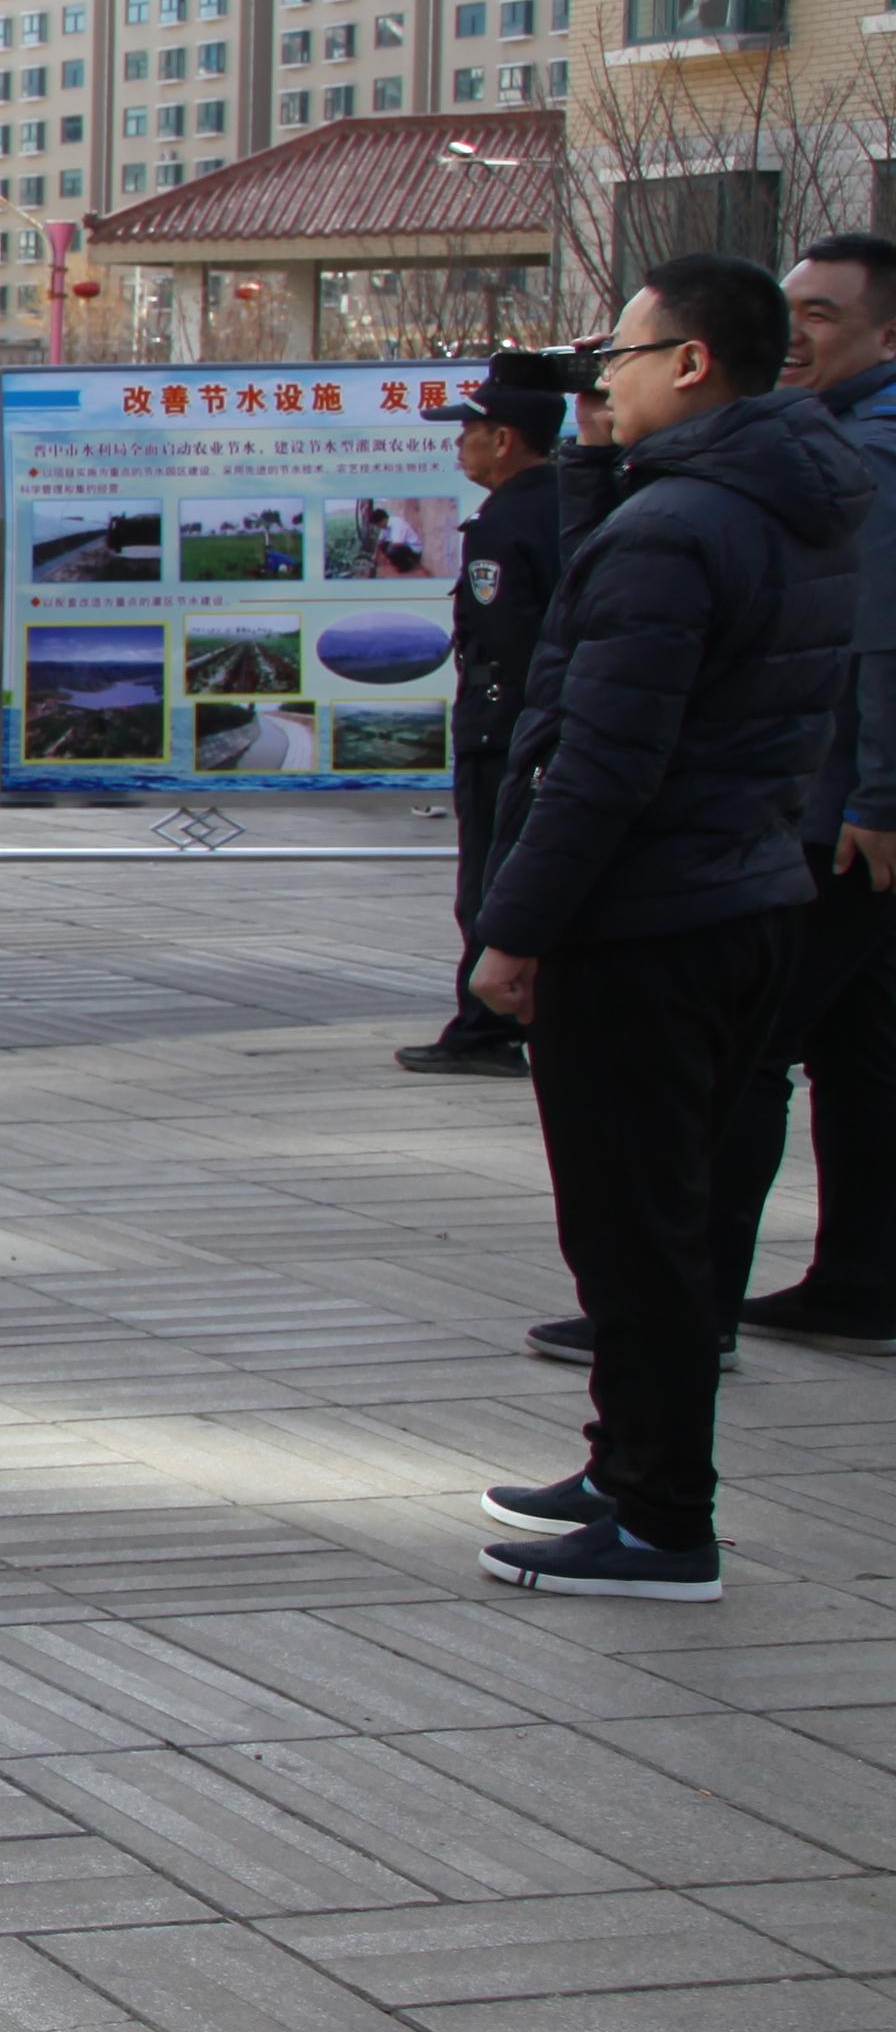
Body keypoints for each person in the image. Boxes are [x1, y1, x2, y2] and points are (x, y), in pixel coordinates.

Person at [470, 261, 867, 1602]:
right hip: (745, 893)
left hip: (645, 921)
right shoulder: (784, 501)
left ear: (693, 364)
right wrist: (599, 469)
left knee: (634, 1229)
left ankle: (659, 1518)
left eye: (621, 359)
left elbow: (602, 758)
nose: (600, 383)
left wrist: (512, 933)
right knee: (671, 1218)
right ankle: (630, 1465)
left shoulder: (679, 528)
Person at [720, 238, 896, 1343]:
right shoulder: (841, 436)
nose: (796, 335)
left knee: (743, 1051)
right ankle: (862, 1283)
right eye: (789, 311)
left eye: (822, 316)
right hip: (847, 804)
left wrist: (880, 797)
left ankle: (684, 1308)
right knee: (863, 1049)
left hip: (837, 816)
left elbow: (879, 643)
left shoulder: (869, 454)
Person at [405, 358, 573, 1079]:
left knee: (489, 880)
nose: (458, 444)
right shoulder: (570, 502)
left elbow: (504, 639)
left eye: (469, 431)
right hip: (548, 722)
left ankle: (485, 1027)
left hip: (503, 726)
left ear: (505, 440)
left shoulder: (504, 523)